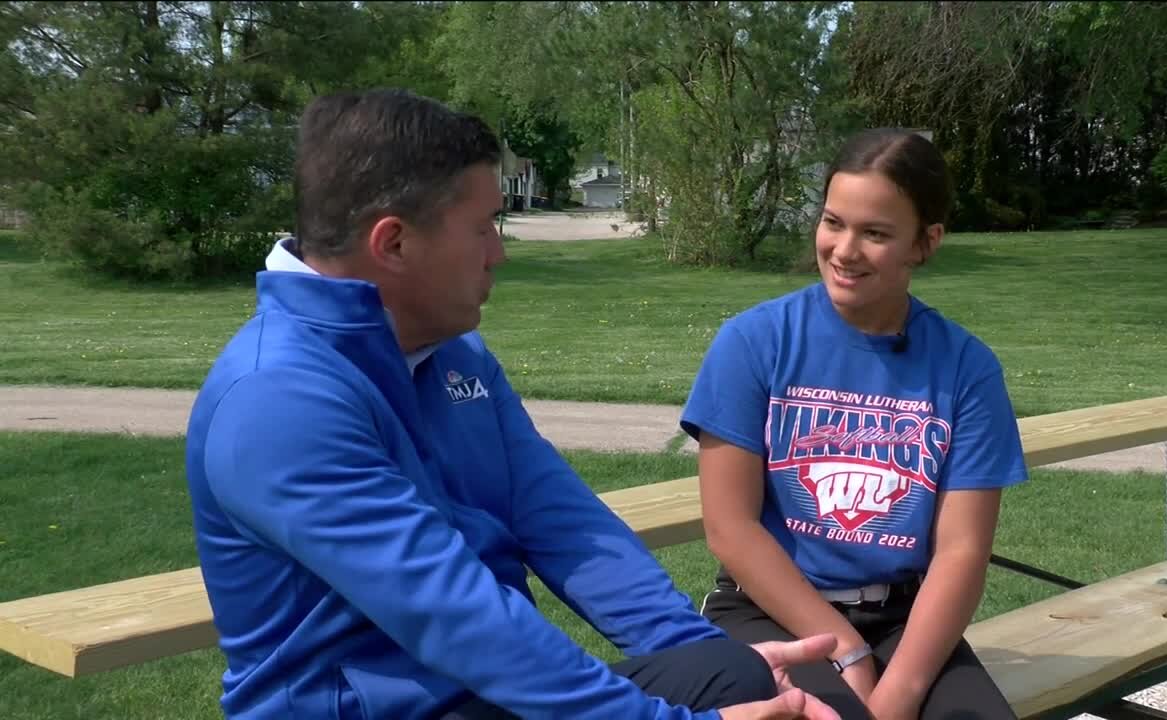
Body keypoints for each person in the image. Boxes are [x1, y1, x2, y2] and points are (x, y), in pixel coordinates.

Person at [184, 89, 841, 720]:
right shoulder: (277, 399)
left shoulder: (451, 353)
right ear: (394, 244)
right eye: (482, 228)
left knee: (745, 675)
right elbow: (458, 617)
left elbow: (559, 521)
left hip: (482, 700)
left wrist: (699, 650)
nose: (498, 253)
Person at [678, 128, 1029, 720]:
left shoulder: (965, 368)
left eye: (875, 233)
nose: (844, 249)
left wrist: (901, 692)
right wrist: (847, 650)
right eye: (833, 222)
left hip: (904, 620)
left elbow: (961, 552)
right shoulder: (755, 342)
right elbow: (730, 528)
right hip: (771, 611)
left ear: (926, 242)